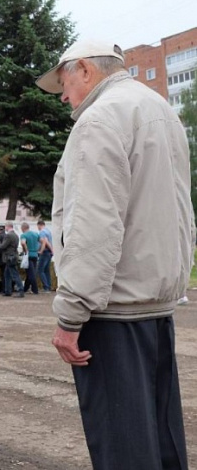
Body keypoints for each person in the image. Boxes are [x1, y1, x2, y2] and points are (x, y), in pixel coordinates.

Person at [38, 39, 194, 469]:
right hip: (155, 305)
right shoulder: (161, 111)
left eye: (64, 83)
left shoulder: (98, 120)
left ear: (85, 69)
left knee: (124, 448)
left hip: (113, 310)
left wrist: (70, 315)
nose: (64, 97)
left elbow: (93, 225)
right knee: (161, 442)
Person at [0, 222, 24, 297]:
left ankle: (20, 290)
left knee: (15, 274)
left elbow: (3, 246)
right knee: (7, 274)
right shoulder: (15, 235)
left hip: (9, 257)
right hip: (14, 255)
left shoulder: (8, 235)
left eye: (5, 227)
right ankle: (7, 291)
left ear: (7, 227)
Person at [19, 222, 40, 294]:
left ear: (23, 228)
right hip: (35, 254)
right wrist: (39, 249)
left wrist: (25, 250)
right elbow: (42, 241)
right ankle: (25, 288)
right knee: (30, 272)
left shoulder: (23, 235)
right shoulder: (36, 234)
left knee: (31, 274)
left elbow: (23, 243)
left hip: (29, 255)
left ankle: (35, 289)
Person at [36, 220, 54, 292]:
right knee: (47, 270)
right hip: (49, 253)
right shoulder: (48, 231)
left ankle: (46, 287)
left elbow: (45, 241)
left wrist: (41, 251)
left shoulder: (42, 232)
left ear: (39, 225)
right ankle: (49, 286)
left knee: (40, 270)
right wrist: (52, 250)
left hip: (45, 252)